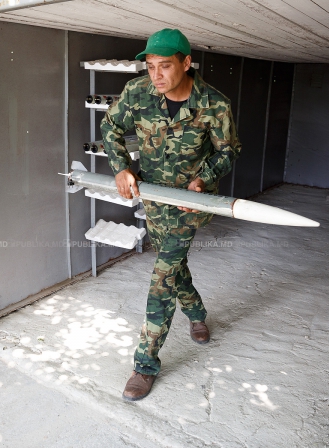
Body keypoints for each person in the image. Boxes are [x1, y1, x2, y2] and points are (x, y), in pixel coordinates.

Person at [99, 28, 242, 401]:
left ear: (186, 63)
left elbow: (229, 151)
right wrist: (121, 165)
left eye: (165, 66)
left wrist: (202, 180)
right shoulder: (137, 93)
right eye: (150, 66)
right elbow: (110, 126)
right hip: (153, 202)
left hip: (188, 206)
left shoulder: (214, 103)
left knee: (162, 276)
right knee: (174, 268)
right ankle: (197, 314)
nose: (156, 75)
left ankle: (144, 365)